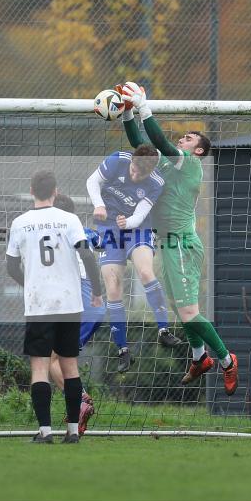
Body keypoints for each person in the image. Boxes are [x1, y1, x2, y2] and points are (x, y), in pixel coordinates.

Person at [117, 82, 238, 395]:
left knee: (188, 312)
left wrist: (144, 108)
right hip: (168, 245)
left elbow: (158, 138)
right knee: (180, 307)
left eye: (189, 138)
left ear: (197, 150)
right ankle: (199, 358)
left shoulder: (191, 164)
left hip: (183, 245)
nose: (182, 139)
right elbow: (143, 145)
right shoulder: (167, 165)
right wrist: (128, 115)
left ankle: (226, 360)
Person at [6, 171, 104, 444]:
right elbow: (86, 254)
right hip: (69, 302)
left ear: (31, 190)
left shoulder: (20, 222)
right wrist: (97, 291)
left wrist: (32, 284)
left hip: (39, 304)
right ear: (55, 191)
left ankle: (45, 432)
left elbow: (11, 266)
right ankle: (72, 432)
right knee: (69, 365)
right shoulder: (69, 219)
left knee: (39, 368)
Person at [86, 144, 181, 374]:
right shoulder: (118, 159)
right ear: (132, 160)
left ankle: (163, 331)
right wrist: (99, 205)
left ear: (151, 172)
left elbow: (140, 214)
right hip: (109, 227)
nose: (135, 175)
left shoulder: (156, 183)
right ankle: (123, 350)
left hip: (137, 228)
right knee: (113, 287)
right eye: (134, 170)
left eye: (141, 174)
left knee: (146, 272)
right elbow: (92, 181)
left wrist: (127, 223)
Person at [48, 193, 99, 435]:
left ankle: (79, 401)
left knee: (51, 360)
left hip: (80, 302)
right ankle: (77, 408)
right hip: (97, 306)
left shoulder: (55, 236)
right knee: (66, 359)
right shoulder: (86, 232)